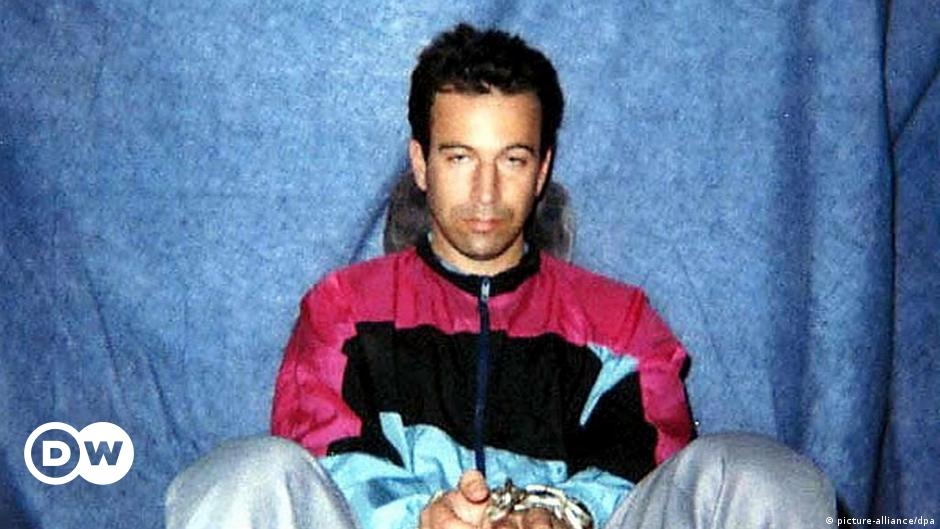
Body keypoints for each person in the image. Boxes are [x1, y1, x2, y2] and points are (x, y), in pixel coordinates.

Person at [166, 23, 837, 529]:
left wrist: (561, 513)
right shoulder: (343, 308)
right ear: (421, 163)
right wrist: (418, 517)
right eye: (460, 157)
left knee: (761, 475)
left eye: (511, 159)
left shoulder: (623, 323)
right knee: (240, 476)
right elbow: (319, 458)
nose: (485, 192)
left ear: (542, 170)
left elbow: (651, 472)